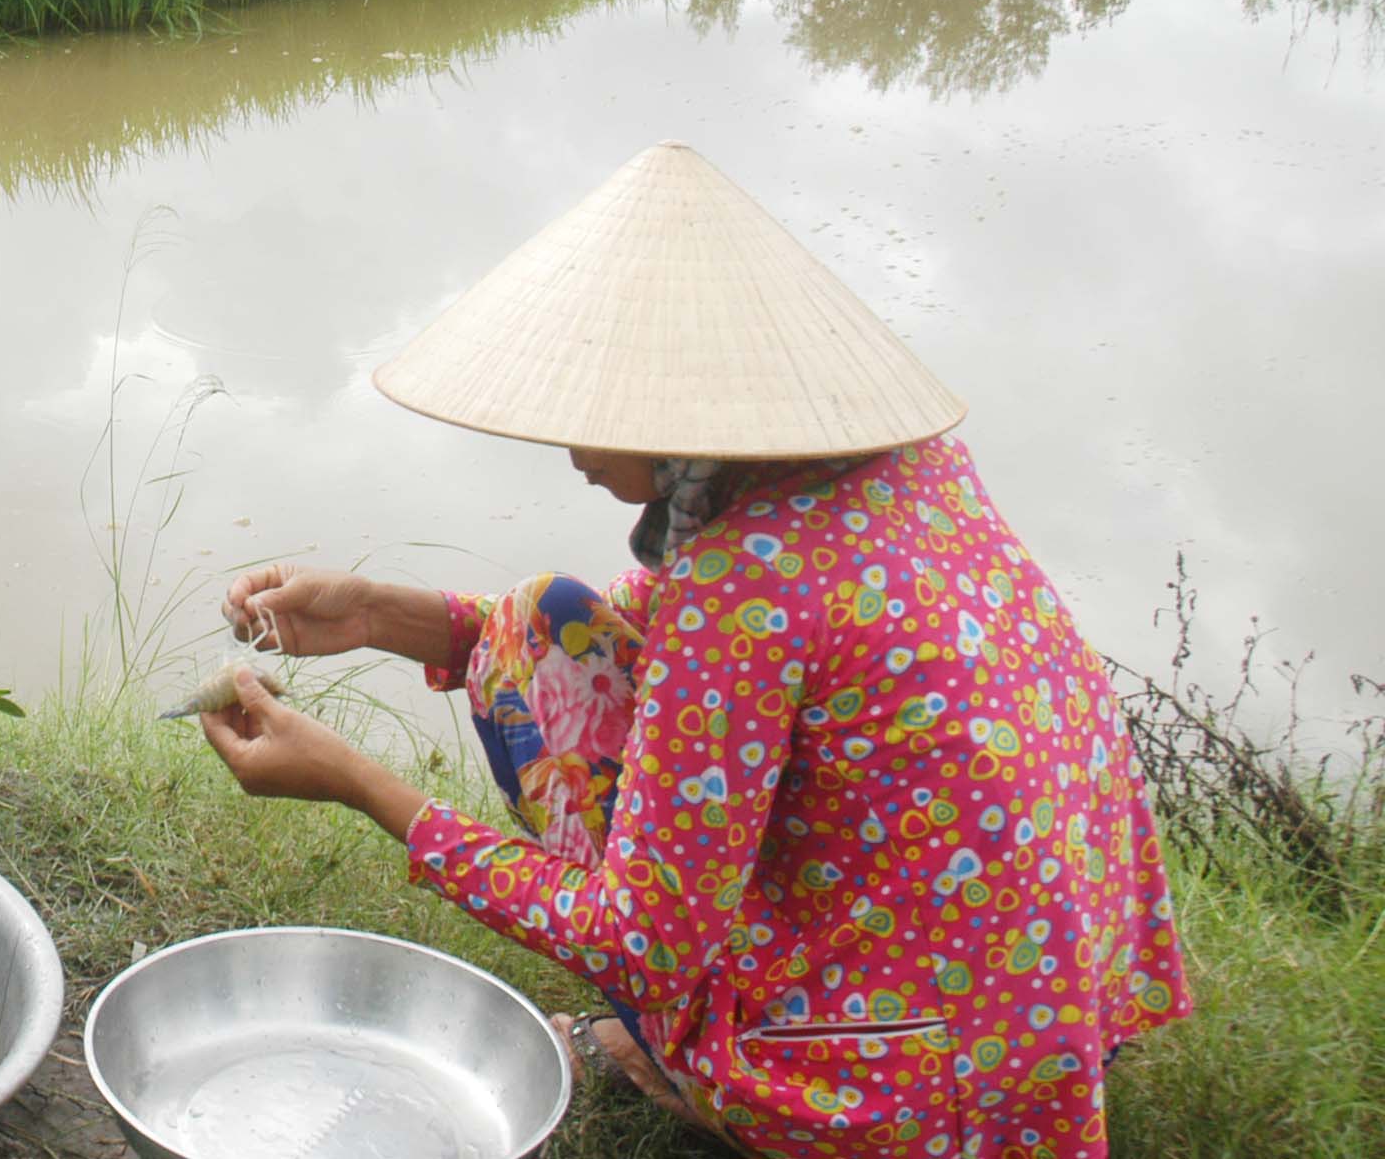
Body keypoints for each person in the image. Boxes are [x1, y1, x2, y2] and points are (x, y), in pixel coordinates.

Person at [198, 142, 1190, 1159]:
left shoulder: (744, 582)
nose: (572, 452)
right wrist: (370, 613)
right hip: (1053, 1017)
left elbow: (637, 938)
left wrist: (362, 785)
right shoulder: (899, 470)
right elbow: (632, 632)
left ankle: (696, 1062)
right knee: (540, 621)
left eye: (585, 416)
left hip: (907, 1091)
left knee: (646, 929)